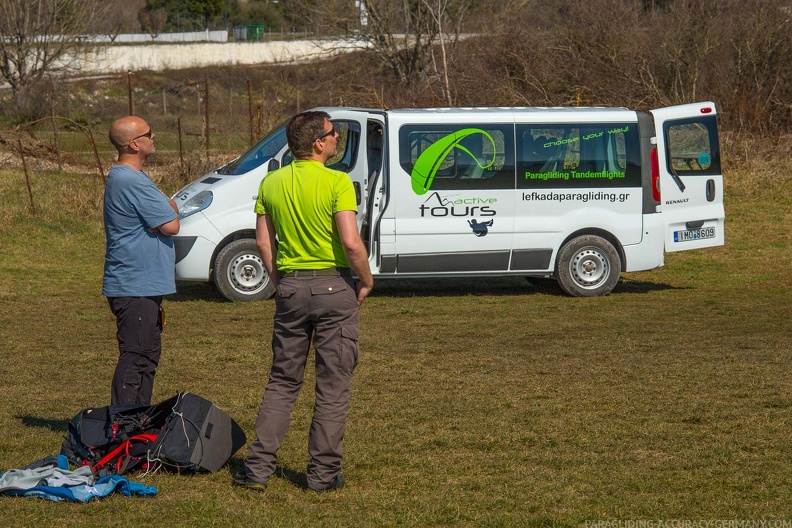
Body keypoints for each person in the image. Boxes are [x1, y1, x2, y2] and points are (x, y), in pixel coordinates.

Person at [235, 111, 374, 493]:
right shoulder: (337, 181)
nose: (336, 139)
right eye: (333, 134)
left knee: (282, 381)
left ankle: (257, 470)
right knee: (332, 385)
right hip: (334, 287)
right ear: (318, 143)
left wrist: (280, 280)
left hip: (291, 289)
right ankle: (322, 475)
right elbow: (350, 241)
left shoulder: (271, 182)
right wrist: (365, 279)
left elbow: (264, 241)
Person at [102, 116, 180, 406]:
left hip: (140, 284)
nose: (154, 136)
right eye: (149, 133)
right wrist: (168, 208)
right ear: (135, 144)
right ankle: (123, 426)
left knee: (147, 355)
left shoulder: (131, 177)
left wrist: (164, 211)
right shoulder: (131, 180)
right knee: (136, 358)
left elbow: (164, 218)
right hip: (135, 286)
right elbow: (171, 224)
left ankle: (139, 423)